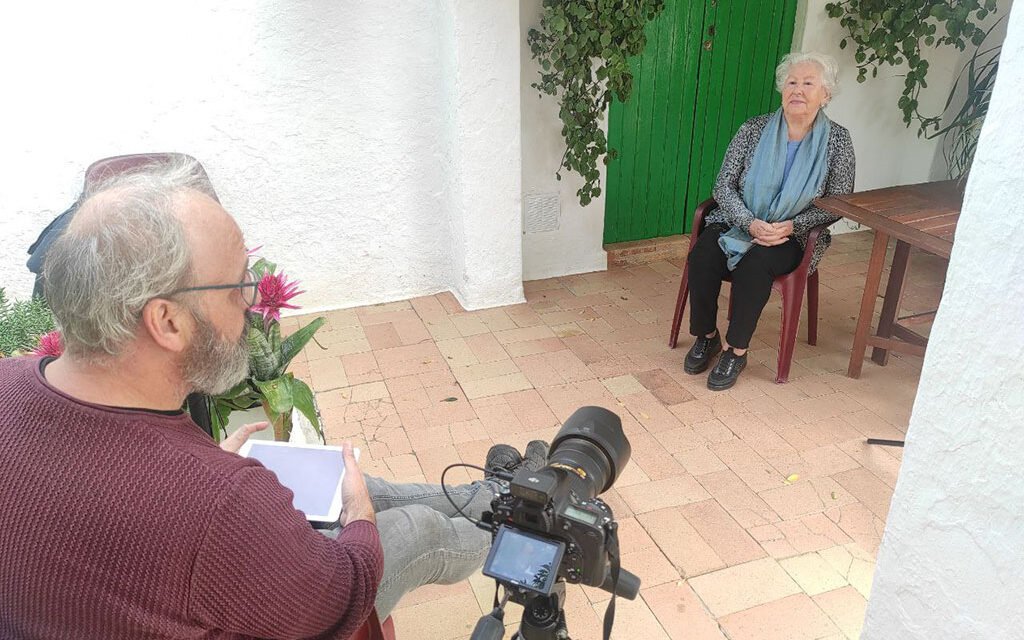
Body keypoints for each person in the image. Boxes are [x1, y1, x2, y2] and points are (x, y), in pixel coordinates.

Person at [0, 159, 547, 639]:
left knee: (337, 481)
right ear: (165, 320)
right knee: (407, 527)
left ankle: (495, 494)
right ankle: (520, 526)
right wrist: (360, 517)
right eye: (237, 284)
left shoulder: (9, 382)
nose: (253, 301)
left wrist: (216, 470)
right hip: (287, 611)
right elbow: (340, 597)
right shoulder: (219, 504)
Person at [683, 51, 856, 390]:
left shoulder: (837, 140)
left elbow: (839, 202)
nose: (798, 90)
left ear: (826, 94)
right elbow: (723, 184)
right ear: (781, 89)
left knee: (755, 264)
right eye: (792, 82)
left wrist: (794, 225)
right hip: (740, 222)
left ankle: (736, 350)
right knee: (702, 255)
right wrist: (748, 222)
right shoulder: (754, 129)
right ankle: (707, 336)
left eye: (809, 83)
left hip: (794, 235)